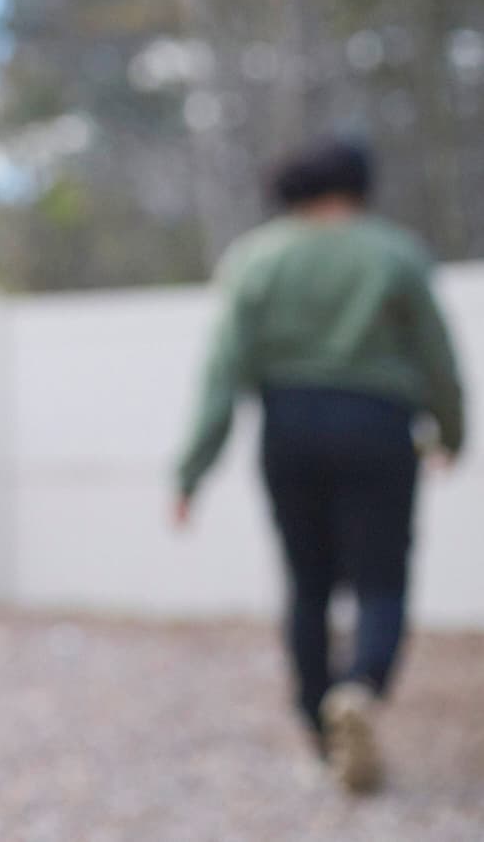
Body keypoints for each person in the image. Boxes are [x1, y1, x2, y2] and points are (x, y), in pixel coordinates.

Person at [174, 138, 465, 794]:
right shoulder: (395, 252)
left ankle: (317, 730)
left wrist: (192, 470)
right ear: (359, 186)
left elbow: (223, 373)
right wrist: (452, 432)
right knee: (381, 579)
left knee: (308, 584)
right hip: (381, 427)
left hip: (290, 426)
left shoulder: (257, 258)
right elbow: (438, 358)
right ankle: (360, 686)